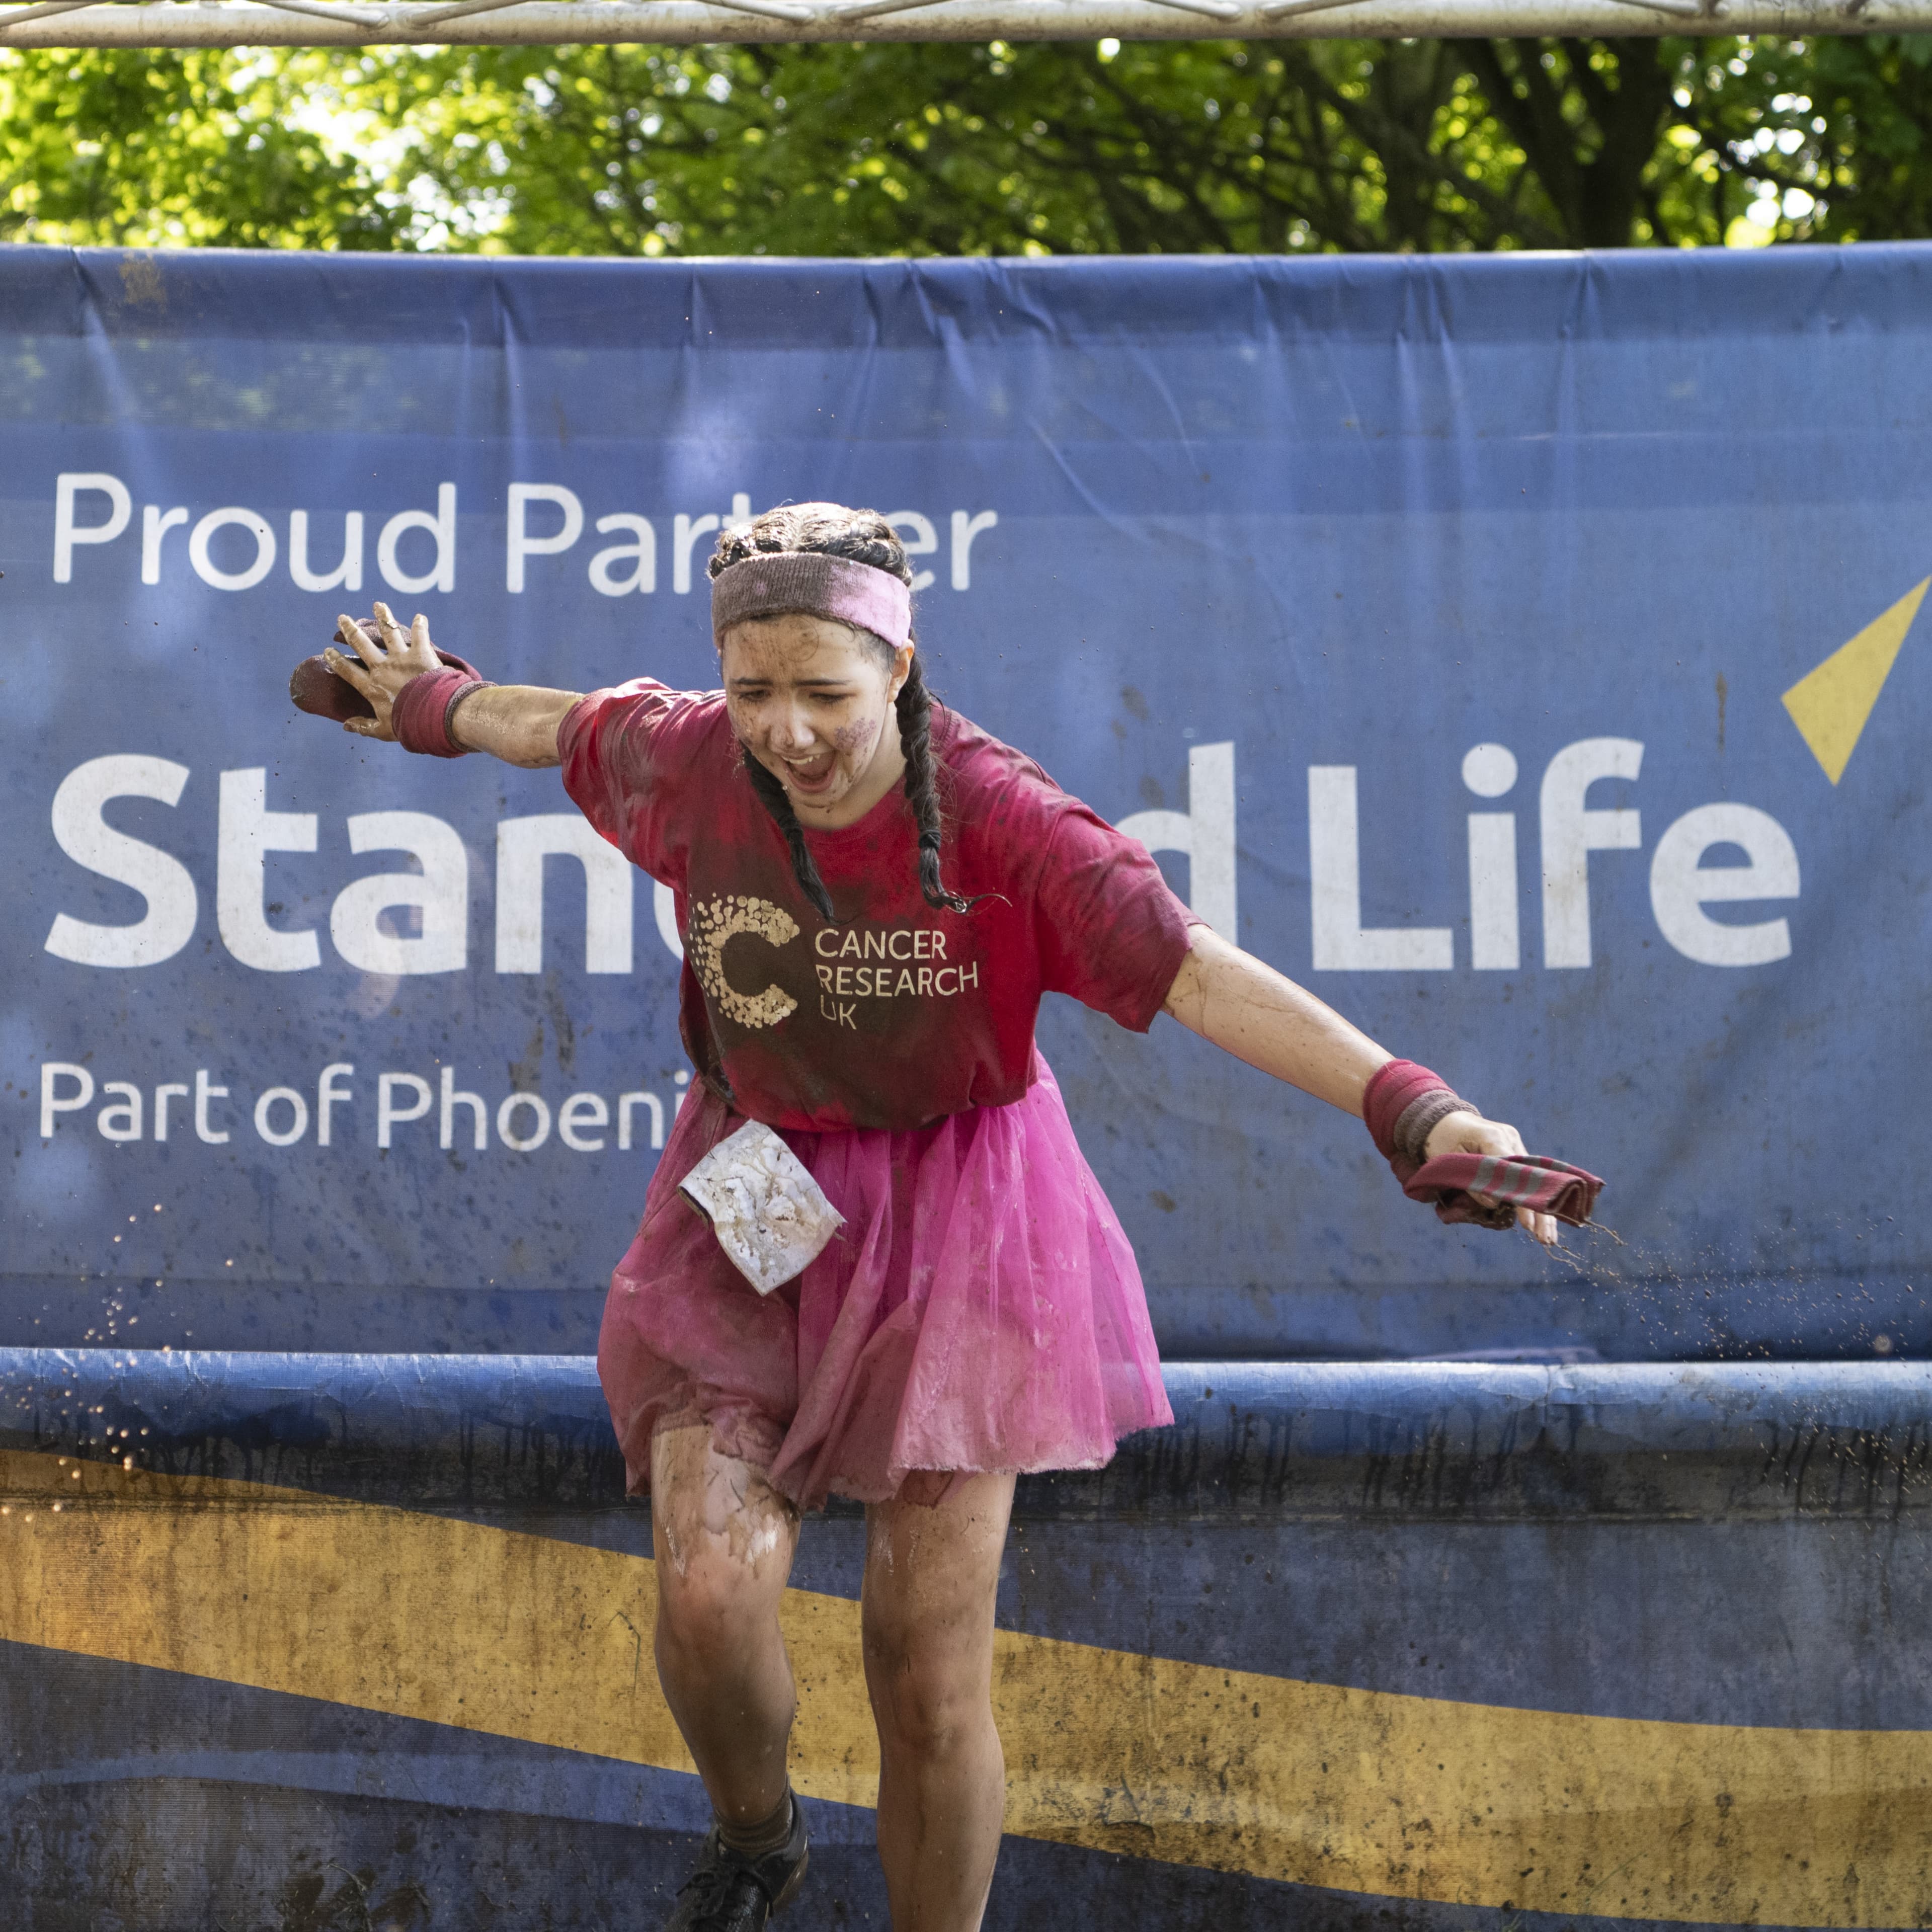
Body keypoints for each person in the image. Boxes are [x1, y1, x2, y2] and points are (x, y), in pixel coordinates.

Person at [320, 503, 1565, 1932]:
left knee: (922, 1667)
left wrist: (1418, 1112)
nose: (786, 730)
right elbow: (551, 724)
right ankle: (757, 1836)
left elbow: (1204, 978)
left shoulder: (1008, 817)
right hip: (753, 1191)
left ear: (902, 673)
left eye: (826, 696)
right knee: (711, 1595)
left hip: (964, 1214)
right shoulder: (686, 753)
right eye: (754, 691)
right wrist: (430, 703)